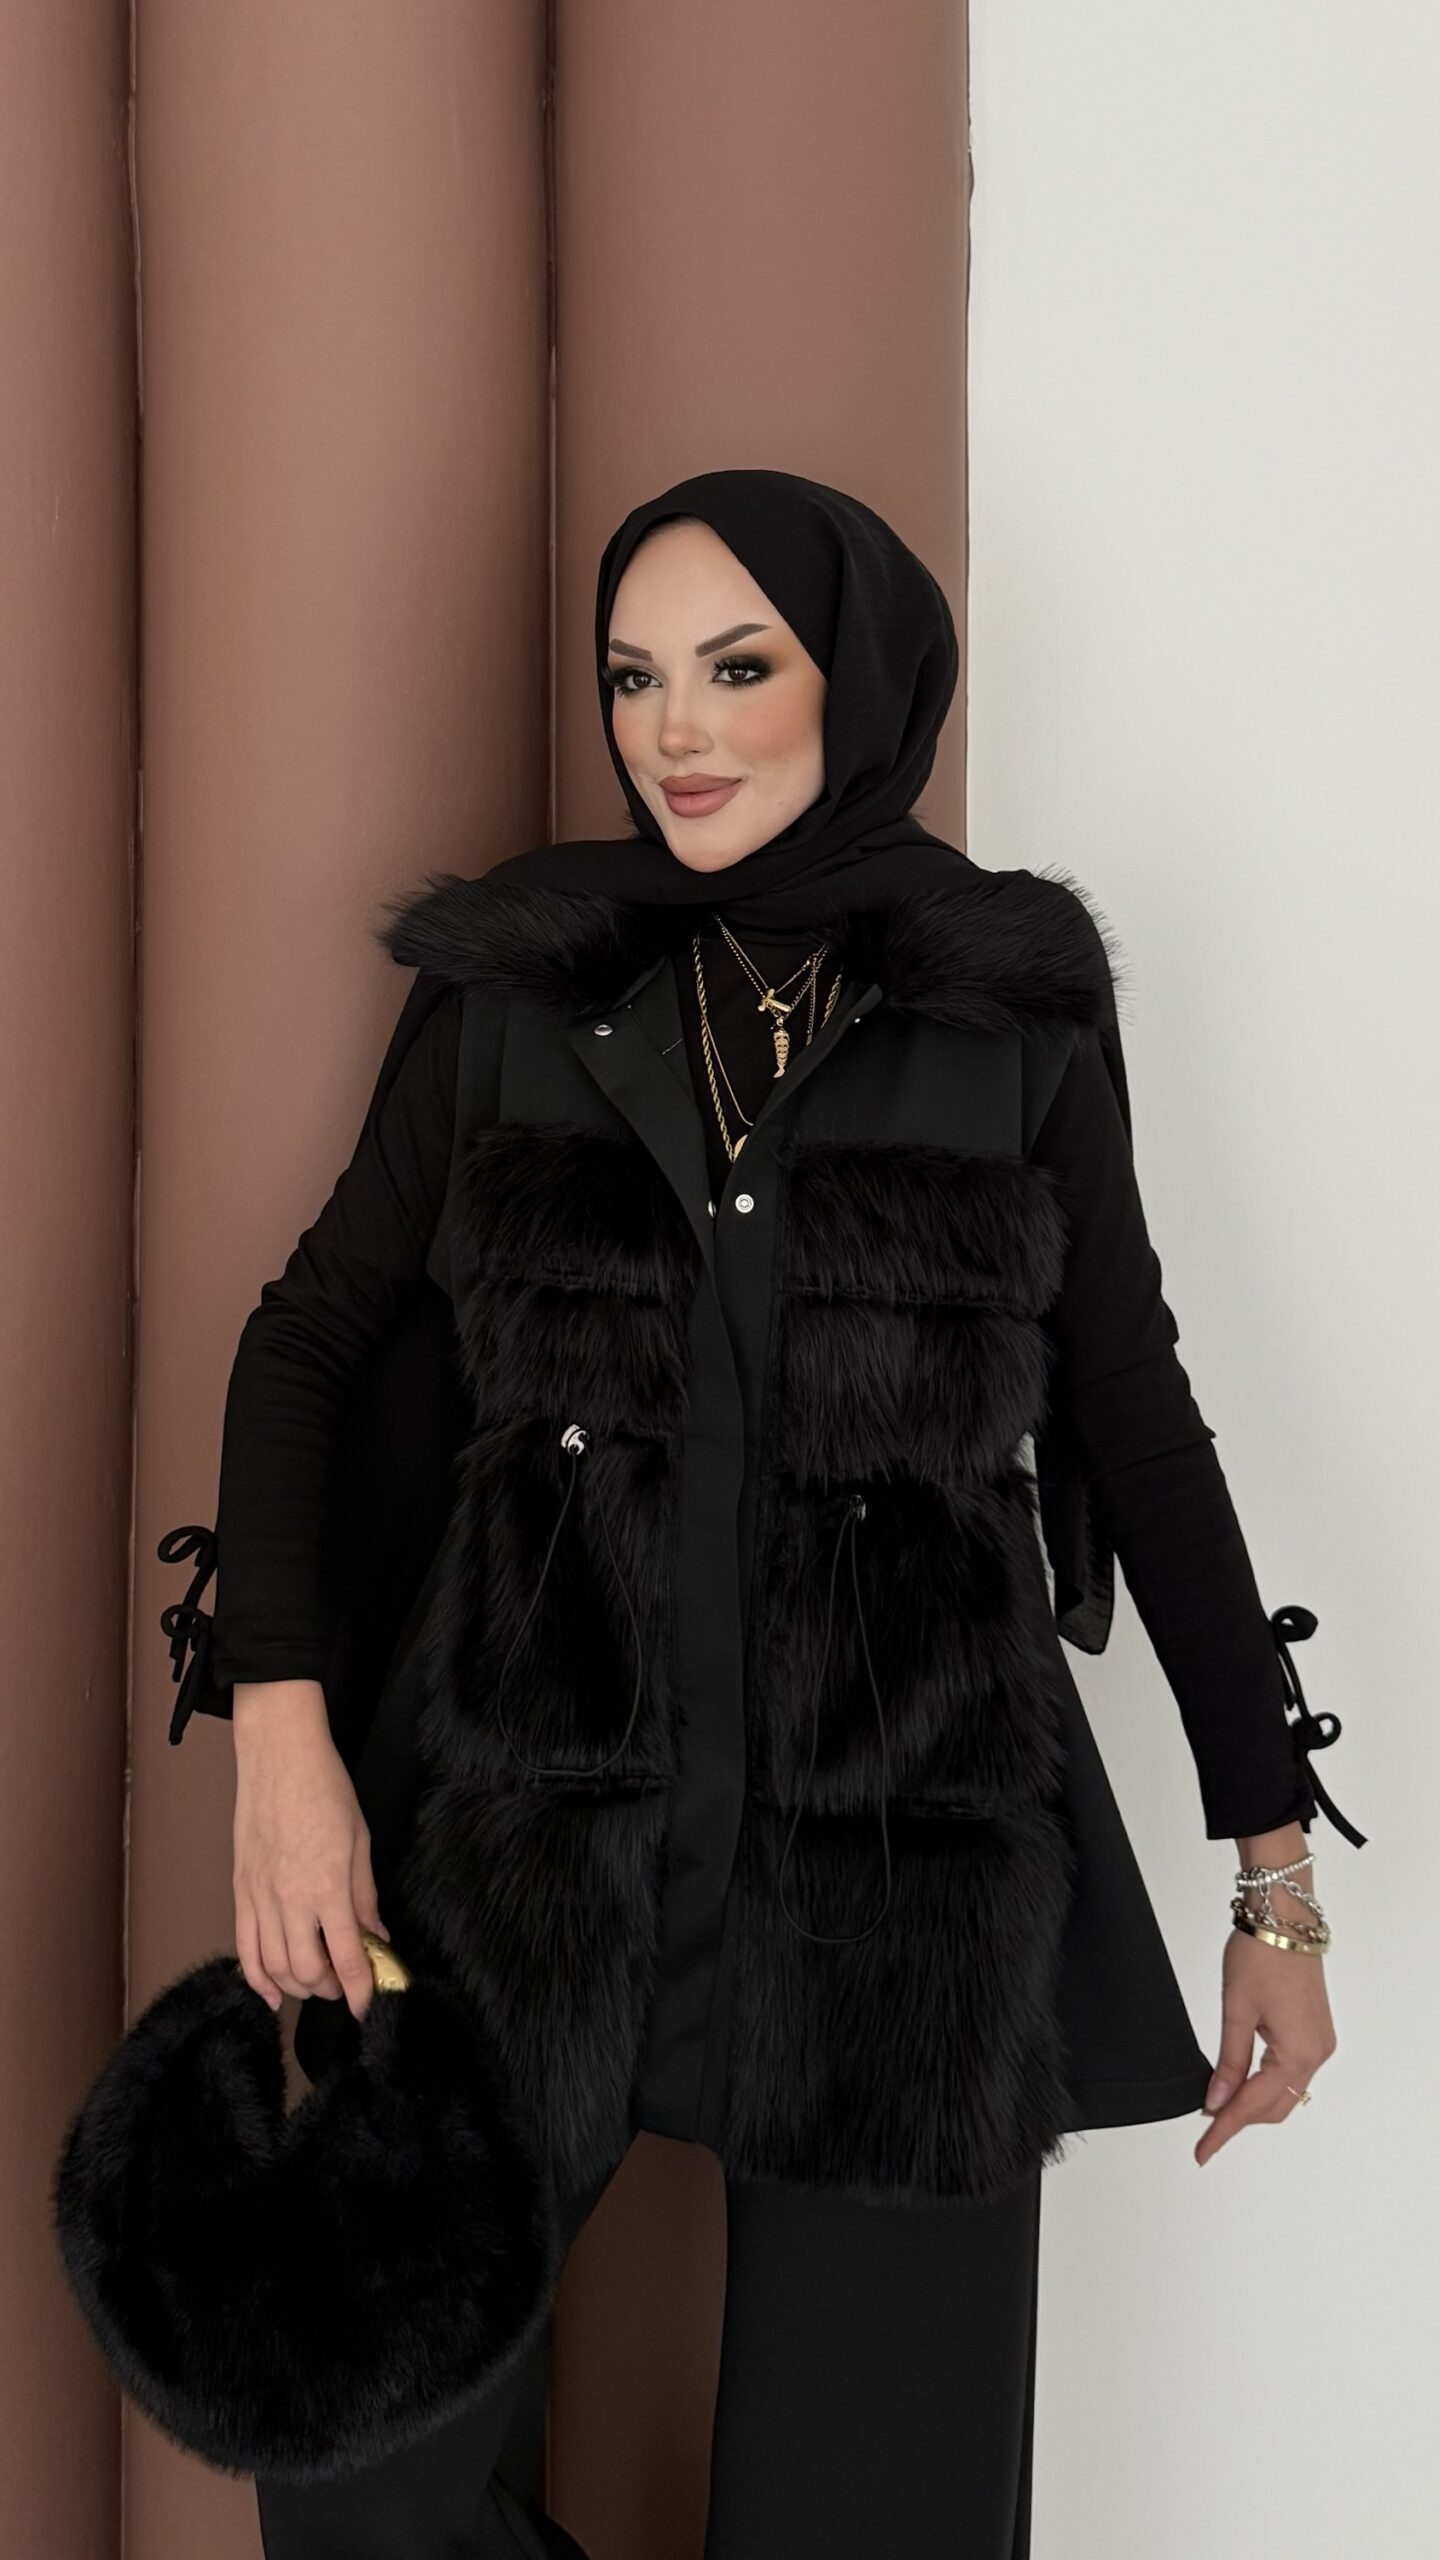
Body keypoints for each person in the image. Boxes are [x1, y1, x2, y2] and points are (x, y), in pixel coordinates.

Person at [159, 469, 1362, 2558]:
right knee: (355, 2448)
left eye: (738, 668)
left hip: (901, 1870)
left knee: (876, 2521)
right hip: (525, 1830)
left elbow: (1141, 1428)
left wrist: (1275, 1884)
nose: (676, 730)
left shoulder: (1005, 1014)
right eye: (635, 677)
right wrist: (284, 1740)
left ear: (859, 682)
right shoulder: (523, 986)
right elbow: (309, 1340)